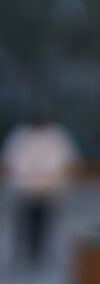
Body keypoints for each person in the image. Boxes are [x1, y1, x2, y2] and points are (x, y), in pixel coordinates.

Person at [2, 111, 79, 268]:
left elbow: (65, 161)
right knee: (24, 223)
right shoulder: (20, 135)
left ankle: (41, 253)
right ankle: (22, 254)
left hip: (48, 187)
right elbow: (12, 160)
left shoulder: (56, 136)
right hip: (25, 188)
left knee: (45, 222)